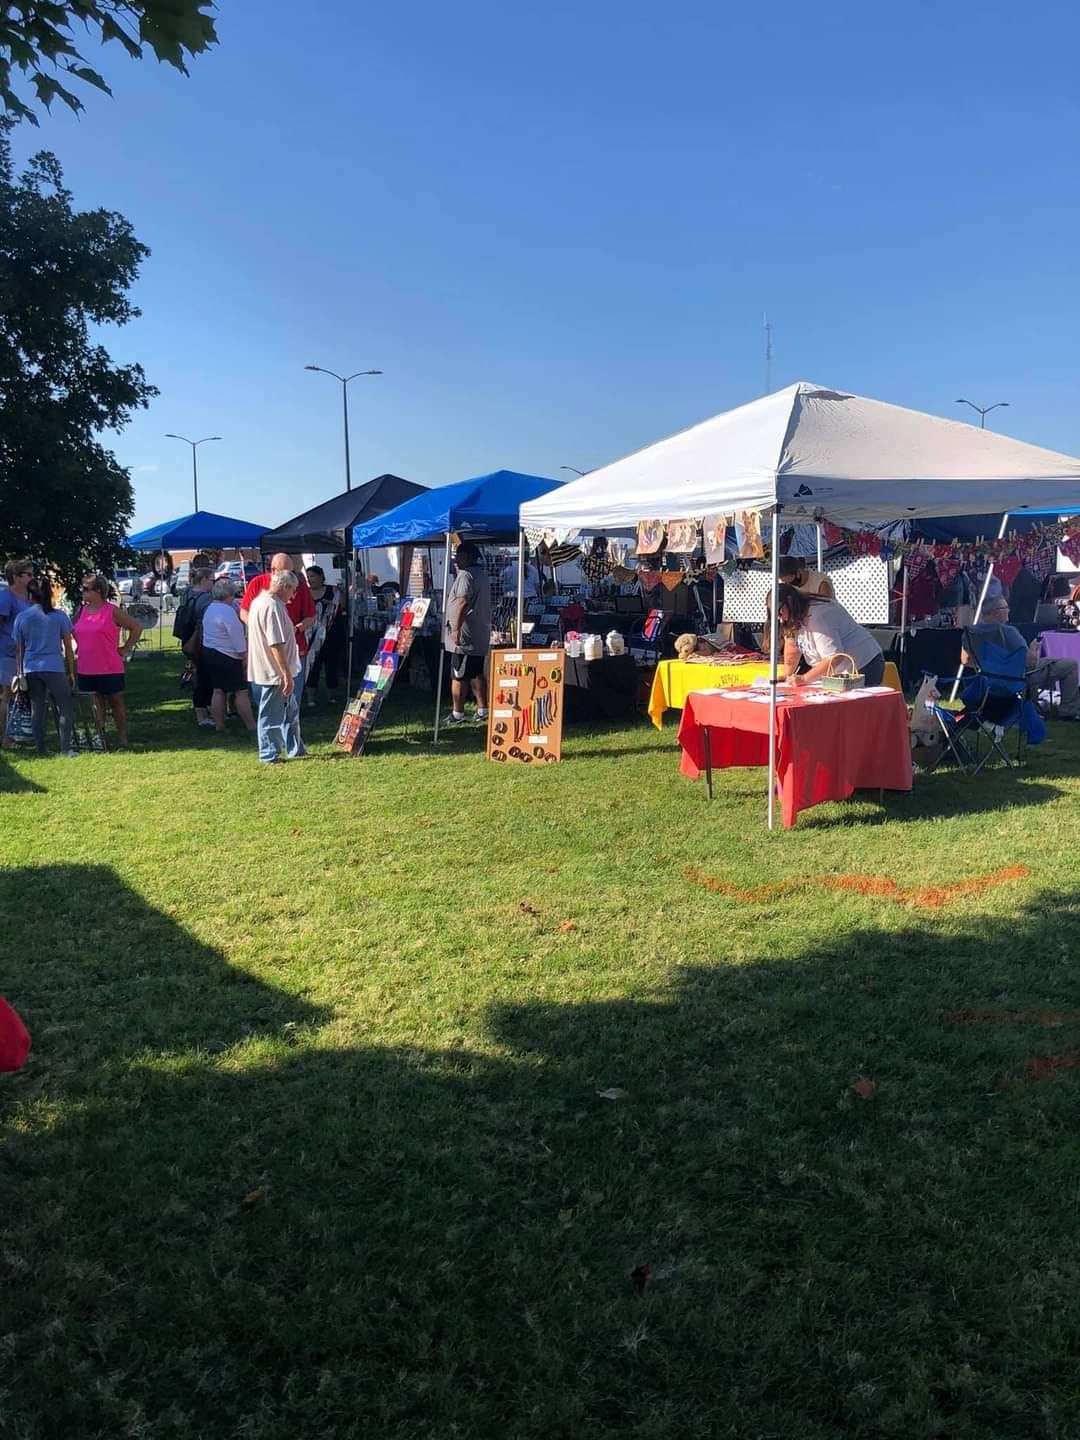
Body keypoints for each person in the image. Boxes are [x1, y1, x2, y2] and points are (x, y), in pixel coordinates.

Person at [964, 597, 1079, 721]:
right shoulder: (1008, 631)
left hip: (988, 678)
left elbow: (965, 660)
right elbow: (1029, 663)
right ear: (995, 612)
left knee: (1052, 661)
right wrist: (1033, 648)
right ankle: (1067, 711)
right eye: (1006, 608)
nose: (1009, 610)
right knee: (1070, 664)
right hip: (1018, 677)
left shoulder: (970, 632)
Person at [72, 574, 144, 747]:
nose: (83, 591)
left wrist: (125, 648)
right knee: (95, 704)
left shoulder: (111, 611)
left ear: (98, 591)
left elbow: (136, 627)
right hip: (86, 666)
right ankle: (99, 736)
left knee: (116, 701)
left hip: (109, 666)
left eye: (86, 589)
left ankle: (123, 738)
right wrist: (79, 645)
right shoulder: (81, 610)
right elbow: (72, 628)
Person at [12, 574, 77, 757]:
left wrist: (20, 672)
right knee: (64, 706)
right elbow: (68, 647)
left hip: (31, 668)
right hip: (54, 666)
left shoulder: (22, 617)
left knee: (37, 709)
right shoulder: (59, 616)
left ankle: (41, 750)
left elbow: (19, 650)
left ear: (30, 595)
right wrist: (71, 671)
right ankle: (65, 749)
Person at [776, 582, 885, 687]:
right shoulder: (792, 618)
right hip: (839, 671)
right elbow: (793, 647)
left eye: (779, 611)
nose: (778, 617)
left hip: (863, 664)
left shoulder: (818, 615)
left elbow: (834, 657)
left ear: (790, 602)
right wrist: (788, 674)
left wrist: (804, 679)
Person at [240, 553, 315, 704]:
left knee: (292, 698)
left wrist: (297, 629)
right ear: (273, 570)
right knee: (266, 701)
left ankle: (290, 720)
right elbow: (244, 611)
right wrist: (259, 628)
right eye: (284, 572)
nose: (289, 576)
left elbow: (310, 616)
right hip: (264, 652)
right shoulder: (259, 585)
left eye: (291, 572)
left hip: (294, 647)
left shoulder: (297, 584)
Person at [247, 569, 305, 763]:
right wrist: (286, 674)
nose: (294, 595)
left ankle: (295, 748)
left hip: (272, 670)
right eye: (293, 590)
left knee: (289, 711)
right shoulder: (272, 606)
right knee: (271, 715)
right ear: (285, 587)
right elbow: (275, 643)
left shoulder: (260, 602)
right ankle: (269, 754)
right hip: (273, 672)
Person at [444, 541, 492, 724]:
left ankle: (457, 713)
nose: (456, 559)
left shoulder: (466, 575)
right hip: (478, 633)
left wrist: (455, 629)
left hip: (465, 635)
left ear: (469, 557)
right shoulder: (481, 574)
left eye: (459, 555)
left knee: (459, 674)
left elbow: (463, 602)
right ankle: (483, 709)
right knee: (476, 672)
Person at [201, 578, 256, 733]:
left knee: (218, 690)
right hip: (228, 655)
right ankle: (251, 725)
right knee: (241, 691)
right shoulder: (228, 612)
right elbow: (237, 637)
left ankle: (219, 725)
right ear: (230, 594)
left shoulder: (210, 608)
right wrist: (244, 656)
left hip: (210, 652)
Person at [1, 558, 33, 749]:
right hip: (8, 652)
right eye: (28, 574)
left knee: (20, 694)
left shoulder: (28, 597)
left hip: (26, 654)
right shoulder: (6, 597)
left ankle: (20, 734)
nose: (32, 577)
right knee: (8, 694)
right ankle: (6, 738)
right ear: (16, 577)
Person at [178, 567, 215, 728]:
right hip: (200, 641)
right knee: (204, 678)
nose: (213, 583)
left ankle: (202, 712)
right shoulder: (206, 598)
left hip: (187, 638)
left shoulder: (187, 593)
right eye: (212, 580)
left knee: (195, 674)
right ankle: (203, 714)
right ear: (205, 579)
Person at [304, 565, 345, 707]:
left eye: (313, 576)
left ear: (321, 576)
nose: (310, 579)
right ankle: (310, 698)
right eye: (308, 577)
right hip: (311, 636)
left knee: (331, 665)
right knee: (312, 666)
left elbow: (344, 606)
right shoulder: (306, 593)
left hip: (331, 635)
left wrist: (332, 604)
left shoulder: (333, 590)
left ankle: (332, 697)